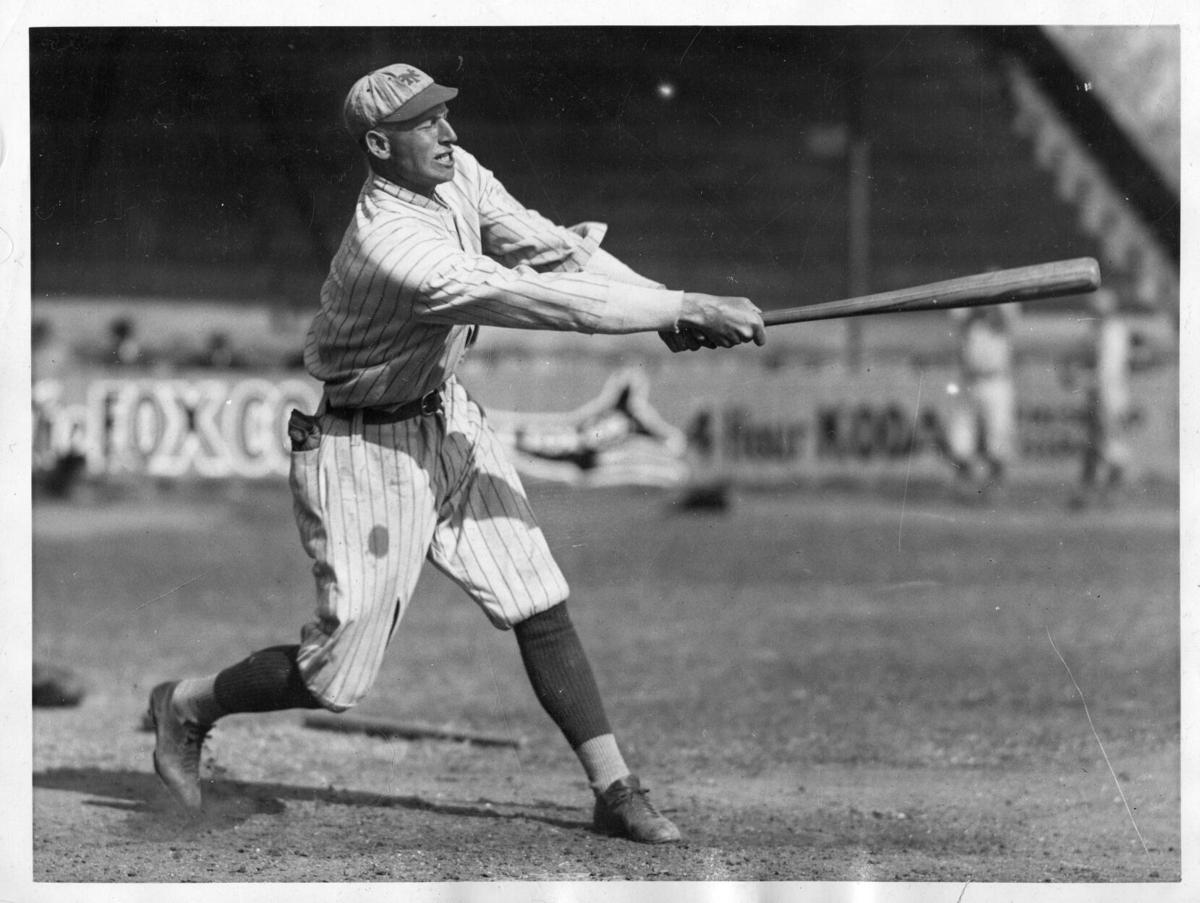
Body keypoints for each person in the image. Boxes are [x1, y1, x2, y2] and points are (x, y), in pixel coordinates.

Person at [147, 62, 765, 844]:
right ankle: (186, 704)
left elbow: (554, 255)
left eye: (445, 114)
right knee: (336, 673)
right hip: (361, 448)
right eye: (425, 123)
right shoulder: (393, 244)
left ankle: (615, 787)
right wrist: (678, 307)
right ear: (380, 142)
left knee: (537, 598)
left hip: (446, 419)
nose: (448, 132)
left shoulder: (459, 176)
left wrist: (667, 307)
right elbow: (538, 300)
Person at [943, 303, 1018, 500]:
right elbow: (960, 319)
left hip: (996, 380)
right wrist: (978, 305)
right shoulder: (968, 306)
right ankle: (964, 486)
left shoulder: (1005, 305)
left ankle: (996, 488)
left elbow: (1003, 319)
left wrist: (989, 304)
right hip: (969, 380)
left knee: (998, 437)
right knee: (960, 437)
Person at [1070, 287, 1133, 509]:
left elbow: (1108, 371)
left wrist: (1085, 380)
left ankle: (1113, 492)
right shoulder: (1096, 330)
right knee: (1094, 444)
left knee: (1111, 443)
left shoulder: (1113, 331)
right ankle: (1091, 492)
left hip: (1109, 393)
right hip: (1098, 392)